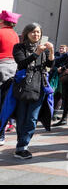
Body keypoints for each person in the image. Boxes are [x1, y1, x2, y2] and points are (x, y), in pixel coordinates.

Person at [12, 23, 54, 159]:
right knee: (22, 118)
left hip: (39, 87)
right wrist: (37, 53)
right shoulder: (19, 47)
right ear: (27, 33)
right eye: (33, 32)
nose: (36, 35)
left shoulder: (43, 48)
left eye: (38, 32)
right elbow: (21, 63)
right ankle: (20, 145)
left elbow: (49, 66)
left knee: (32, 118)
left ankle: (23, 146)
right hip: (23, 87)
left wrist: (51, 52)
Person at [0, 10, 21, 146]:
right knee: (4, 103)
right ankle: (1, 133)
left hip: (1, 66)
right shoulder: (15, 35)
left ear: (2, 21)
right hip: (12, 68)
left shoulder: (1, 32)